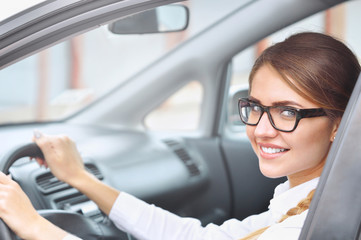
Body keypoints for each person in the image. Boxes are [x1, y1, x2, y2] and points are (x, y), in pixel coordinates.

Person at [0, 32, 360, 240]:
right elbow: (197, 238)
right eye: (256, 107)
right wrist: (81, 179)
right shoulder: (306, 199)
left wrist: (35, 226)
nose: (261, 129)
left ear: (339, 124)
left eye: (288, 112)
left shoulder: (309, 225)